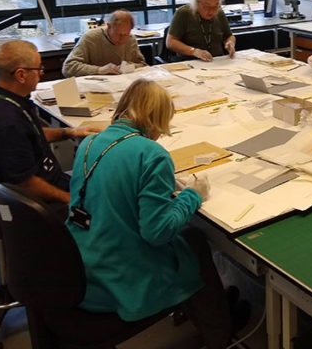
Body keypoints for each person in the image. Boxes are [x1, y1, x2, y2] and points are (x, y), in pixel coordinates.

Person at [66, 78, 234, 349]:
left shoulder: (90, 143)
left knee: (191, 241)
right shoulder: (151, 154)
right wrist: (193, 196)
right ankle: (218, 334)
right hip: (123, 274)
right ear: (155, 118)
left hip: (82, 258)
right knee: (195, 241)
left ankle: (200, 312)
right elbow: (157, 233)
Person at [0, 40, 99, 221]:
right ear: (21, 75)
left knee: (103, 191)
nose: (42, 73)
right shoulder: (5, 122)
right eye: (38, 68)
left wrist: (70, 132)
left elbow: (30, 134)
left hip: (46, 183)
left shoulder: (4, 98)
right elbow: (26, 184)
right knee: (101, 215)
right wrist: (70, 199)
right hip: (24, 204)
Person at [62, 9, 147, 77]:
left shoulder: (130, 39)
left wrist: (128, 66)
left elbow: (142, 65)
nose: (122, 39)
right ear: (109, 26)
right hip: (95, 86)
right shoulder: (90, 38)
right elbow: (68, 68)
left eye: (126, 34)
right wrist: (99, 70)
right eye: (119, 34)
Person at [166, 0, 236, 62]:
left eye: (215, 6)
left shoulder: (219, 13)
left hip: (217, 61)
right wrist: (194, 51)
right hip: (191, 62)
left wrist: (230, 42)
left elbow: (229, 36)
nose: (211, 11)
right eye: (207, 6)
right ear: (197, 2)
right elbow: (170, 42)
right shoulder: (183, 13)